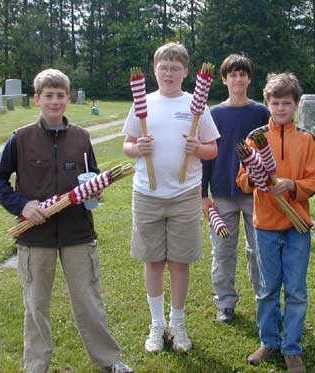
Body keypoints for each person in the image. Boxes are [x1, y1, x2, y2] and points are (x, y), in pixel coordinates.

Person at [0, 69, 133, 373]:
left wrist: (96, 192)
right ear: (37, 98)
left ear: (67, 98)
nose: (55, 101)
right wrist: (22, 205)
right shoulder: (21, 138)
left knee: (89, 302)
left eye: (60, 95)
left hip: (77, 233)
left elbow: (91, 177)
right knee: (36, 306)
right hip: (35, 237)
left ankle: (109, 361)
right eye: (48, 96)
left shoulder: (81, 137)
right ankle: (36, 366)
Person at [122, 42, 220, 353]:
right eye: (163, 67)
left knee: (179, 261)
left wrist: (198, 149)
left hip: (184, 193)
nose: (168, 73)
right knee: (153, 260)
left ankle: (177, 322)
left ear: (186, 72)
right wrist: (138, 149)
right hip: (147, 192)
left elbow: (212, 148)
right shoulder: (143, 104)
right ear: (154, 71)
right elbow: (127, 143)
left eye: (175, 68)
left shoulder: (196, 106)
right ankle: (157, 324)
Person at [237, 73, 315, 373]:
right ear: (268, 104)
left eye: (287, 103)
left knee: (296, 290)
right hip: (266, 226)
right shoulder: (255, 138)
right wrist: (256, 178)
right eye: (275, 103)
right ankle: (269, 341)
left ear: (296, 105)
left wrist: (291, 185)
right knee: (267, 288)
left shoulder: (307, 139)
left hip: (297, 223)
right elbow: (243, 180)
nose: (281, 108)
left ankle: (292, 347)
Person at [201, 53, 270, 323]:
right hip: (222, 193)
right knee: (223, 251)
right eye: (232, 74)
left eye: (242, 74)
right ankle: (225, 302)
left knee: (259, 251)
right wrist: (202, 194)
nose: (238, 79)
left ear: (249, 79)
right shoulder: (214, 114)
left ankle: (263, 297)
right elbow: (206, 155)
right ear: (224, 79)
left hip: (256, 193)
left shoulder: (261, 112)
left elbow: (268, 151)